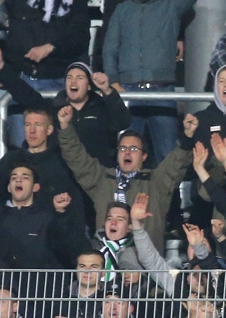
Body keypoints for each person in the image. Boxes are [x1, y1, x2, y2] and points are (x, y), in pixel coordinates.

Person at [58, 107, 197, 253]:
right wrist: (66, 127)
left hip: (144, 266)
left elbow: (176, 163)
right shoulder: (103, 179)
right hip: (105, 263)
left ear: (144, 156)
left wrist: (187, 136)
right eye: (122, 148)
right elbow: (77, 158)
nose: (127, 152)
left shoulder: (156, 181)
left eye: (134, 149)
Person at [103, 0, 200, 165]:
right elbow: (109, 49)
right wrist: (113, 81)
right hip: (128, 92)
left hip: (162, 92)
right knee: (127, 157)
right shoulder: (122, 10)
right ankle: (126, 196)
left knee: (168, 158)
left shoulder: (171, 6)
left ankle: (172, 197)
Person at [0, 46, 131, 167]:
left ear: (88, 86)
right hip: (63, 179)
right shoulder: (53, 109)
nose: (73, 82)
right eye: (69, 77)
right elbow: (24, 93)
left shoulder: (101, 109)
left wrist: (107, 91)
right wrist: (1, 66)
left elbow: (123, 121)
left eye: (79, 78)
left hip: (96, 177)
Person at [0, 0, 90, 149]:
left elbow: (81, 37)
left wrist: (52, 48)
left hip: (58, 82)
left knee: (58, 148)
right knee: (21, 148)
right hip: (22, 81)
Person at [0, 103, 88, 234]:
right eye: (27, 125)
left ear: (49, 130)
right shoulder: (10, 160)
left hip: (52, 236)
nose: (32, 131)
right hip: (14, 233)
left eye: (38, 125)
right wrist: (9, 219)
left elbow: (75, 207)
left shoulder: (61, 163)